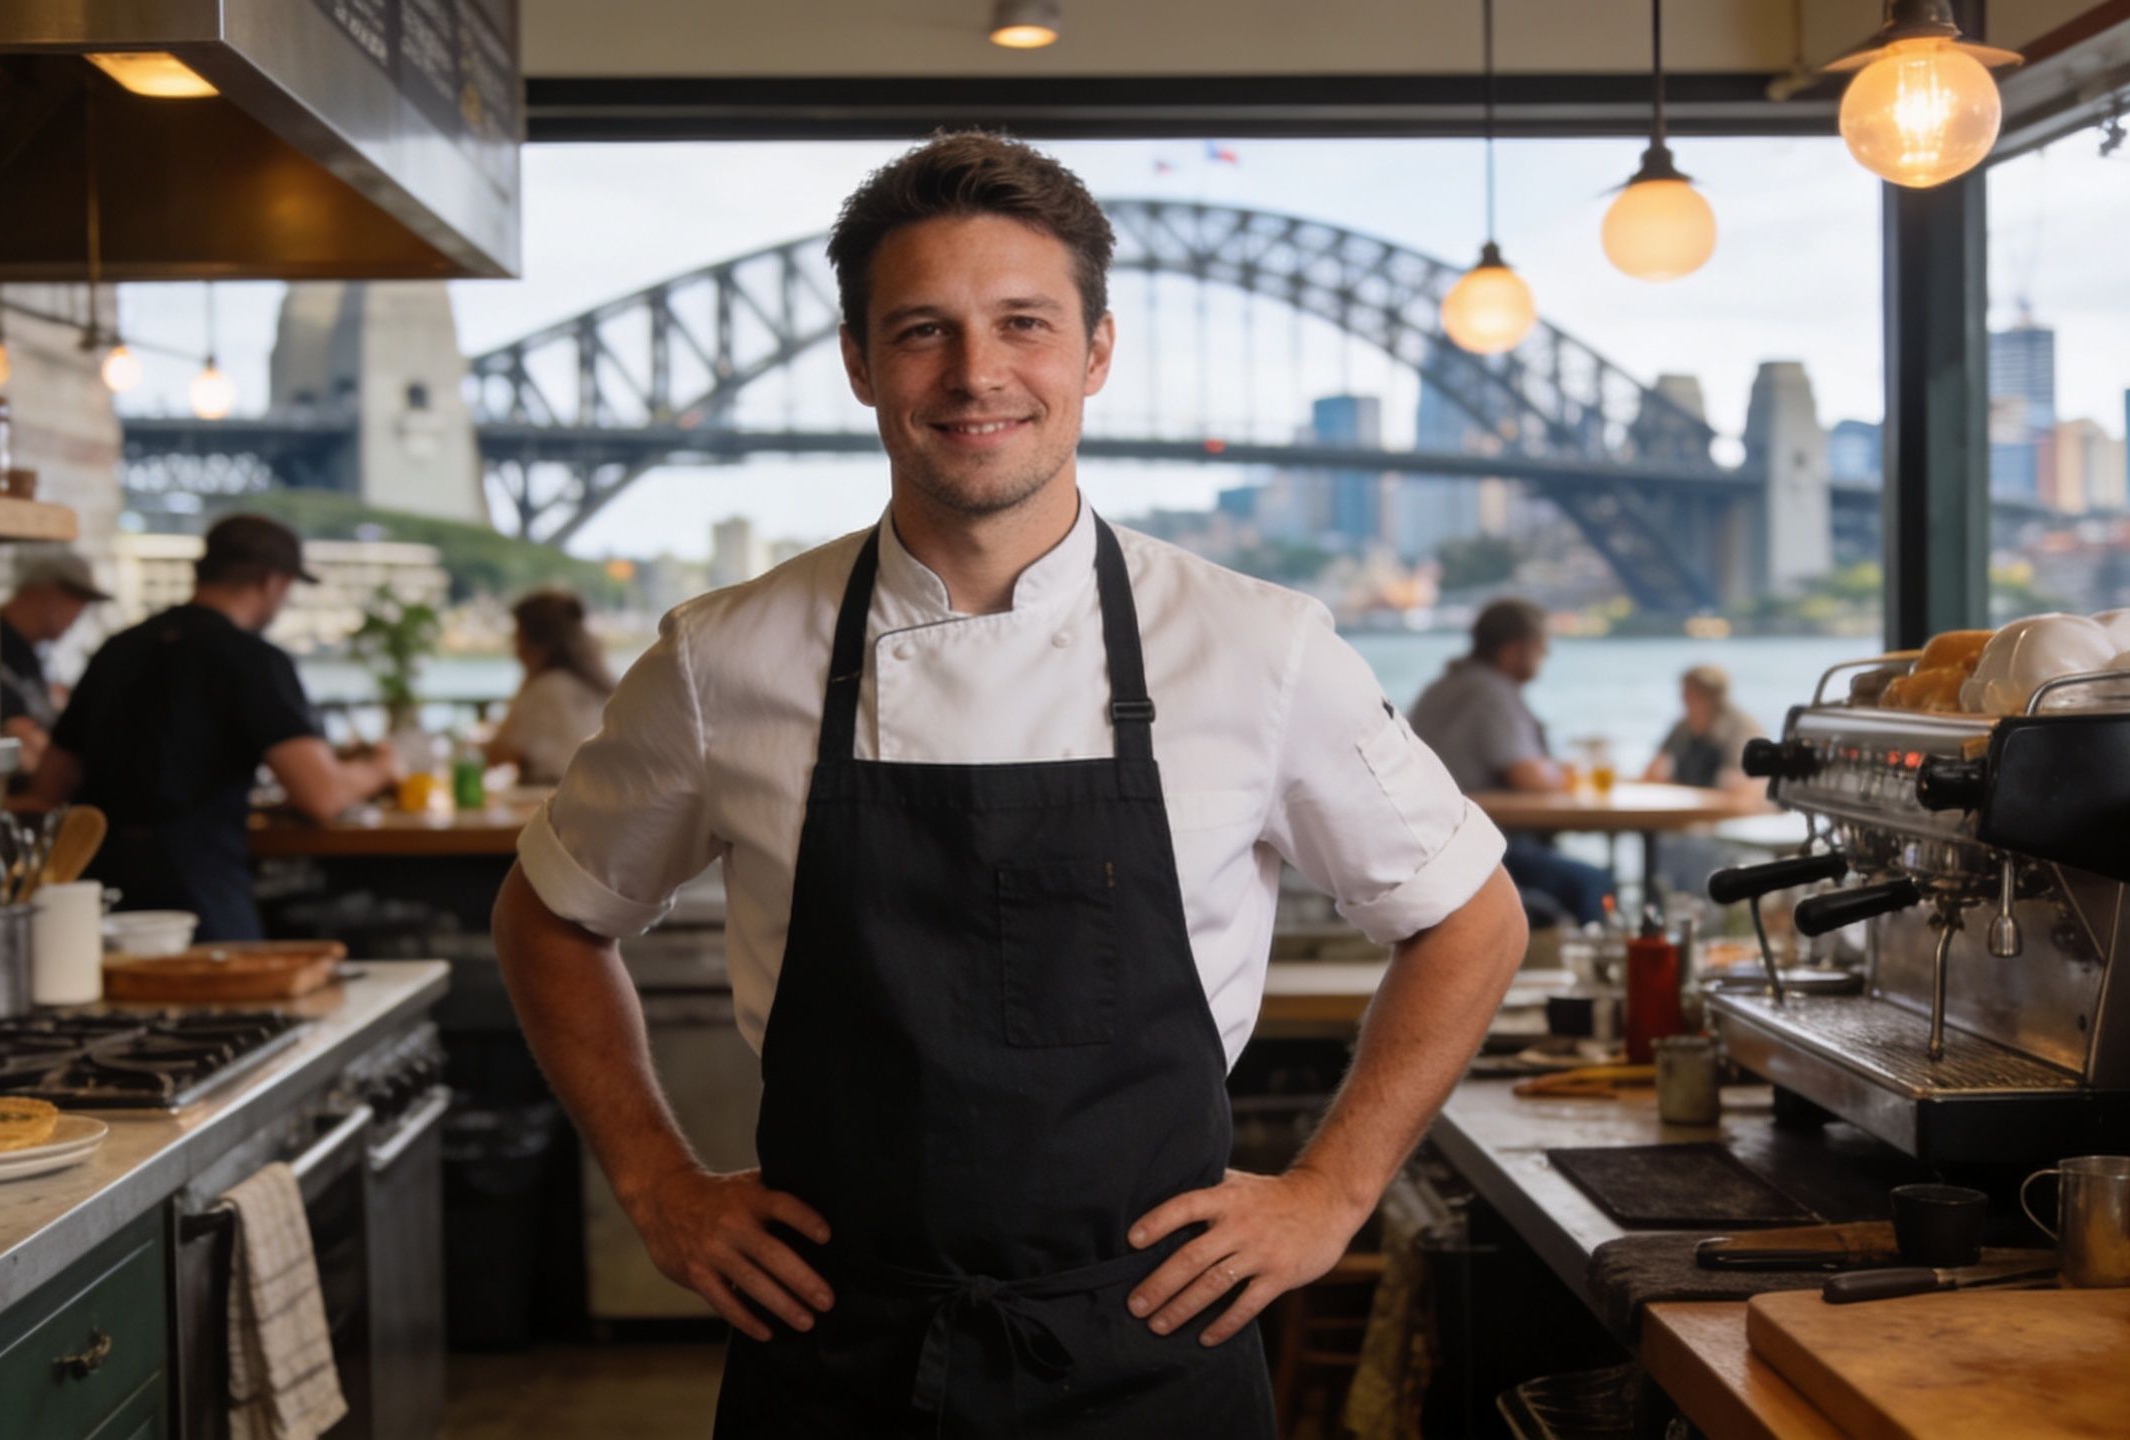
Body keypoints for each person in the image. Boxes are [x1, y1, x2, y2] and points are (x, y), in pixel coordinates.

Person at [491, 132, 1524, 1438]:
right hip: (831, 1351)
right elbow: (548, 917)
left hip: (1154, 1352)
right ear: (861, 365)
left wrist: (1331, 1190)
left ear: (1096, 353)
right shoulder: (723, 655)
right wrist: (656, 1181)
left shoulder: (1258, 647)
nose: (977, 375)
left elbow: (1471, 917)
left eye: (1024, 324)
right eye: (922, 331)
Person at [31, 515, 399, 941]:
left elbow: (49, 785)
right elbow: (322, 796)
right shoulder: (254, 661)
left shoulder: (118, 649)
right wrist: (383, 768)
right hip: (197, 887)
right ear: (272, 581)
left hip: (98, 885)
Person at [1406, 597, 1614, 926]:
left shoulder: (1440, 688)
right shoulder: (1491, 692)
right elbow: (1528, 777)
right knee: (1595, 884)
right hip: (1484, 849)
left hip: (1430, 850)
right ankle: (1605, 972)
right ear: (1513, 650)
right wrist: (1563, 774)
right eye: (1541, 646)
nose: (1547, 654)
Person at [0, 549, 112, 773]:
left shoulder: (26, 651)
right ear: (45, 593)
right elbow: (22, 736)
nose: (80, 613)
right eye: (78, 599)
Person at [485, 589, 614, 786]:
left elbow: (497, 753)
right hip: (601, 798)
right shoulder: (601, 686)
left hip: (551, 802)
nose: (513, 646)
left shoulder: (545, 688)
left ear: (532, 640)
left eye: (516, 635)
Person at [1645, 663, 1765, 795]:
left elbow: (1745, 784)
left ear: (1714, 697)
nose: (1686, 700)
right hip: (1689, 802)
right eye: (1685, 694)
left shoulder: (1743, 729)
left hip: (1726, 807)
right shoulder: (1684, 726)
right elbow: (1653, 768)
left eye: (1693, 695)